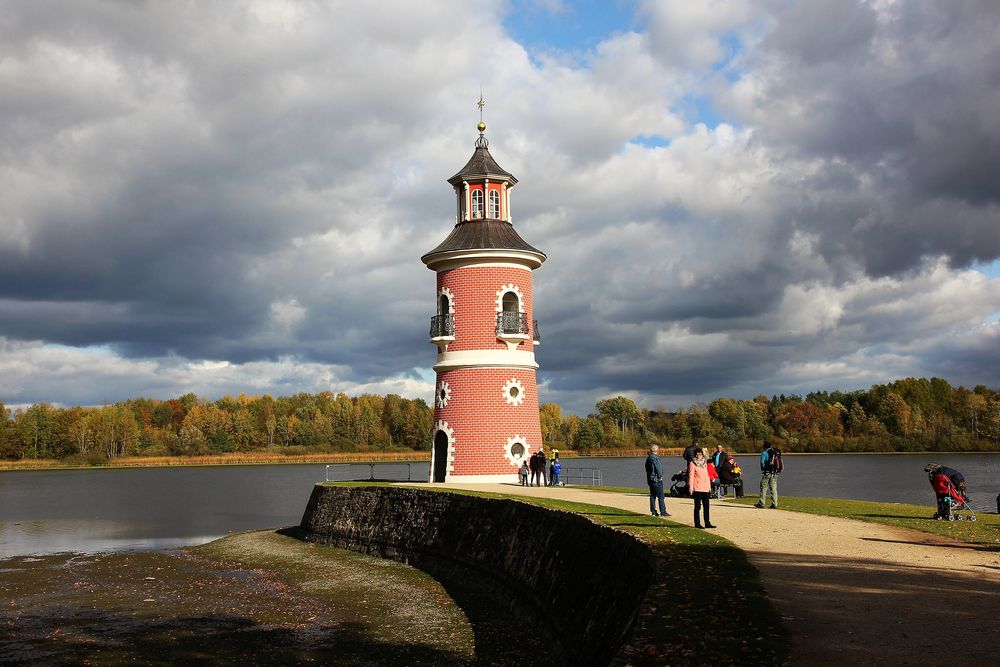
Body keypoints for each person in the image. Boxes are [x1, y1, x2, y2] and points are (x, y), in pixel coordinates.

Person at [687, 448, 715, 528]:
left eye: (700, 454)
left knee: (706, 506)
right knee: (697, 507)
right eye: (697, 454)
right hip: (697, 488)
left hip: (705, 488)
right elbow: (691, 476)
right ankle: (697, 523)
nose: (698, 455)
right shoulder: (692, 464)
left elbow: (707, 476)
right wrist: (691, 487)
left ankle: (707, 522)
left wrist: (709, 487)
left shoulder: (705, 463)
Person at [644, 445, 670, 517]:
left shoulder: (648, 458)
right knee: (661, 496)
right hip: (656, 480)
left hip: (650, 479)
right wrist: (660, 476)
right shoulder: (655, 458)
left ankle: (653, 511)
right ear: (657, 450)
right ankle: (663, 511)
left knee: (653, 495)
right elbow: (658, 469)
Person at [755, 441, 781, 509]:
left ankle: (762, 503)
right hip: (774, 473)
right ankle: (775, 504)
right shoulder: (775, 453)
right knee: (773, 488)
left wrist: (763, 470)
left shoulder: (764, 453)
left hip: (767, 473)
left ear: (764, 447)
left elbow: (762, 463)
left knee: (763, 487)